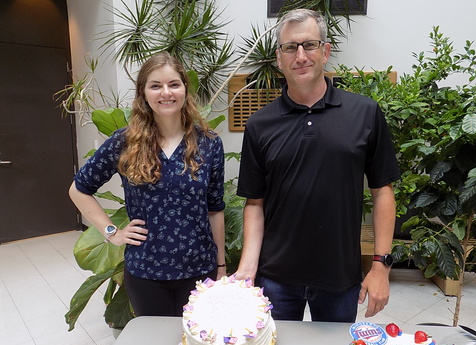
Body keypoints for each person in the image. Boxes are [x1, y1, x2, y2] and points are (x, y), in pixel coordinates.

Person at [235, 9, 400, 322]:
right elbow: (254, 203)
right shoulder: (259, 124)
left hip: (340, 278)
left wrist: (380, 266)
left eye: (309, 45)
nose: (300, 56)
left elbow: (383, 192)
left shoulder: (364, 113)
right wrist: (247, 268)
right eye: (290, 47)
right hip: (276, 279)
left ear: (325, 51)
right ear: (279, 58)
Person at [69, 52, 226, 317]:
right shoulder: (125, 142)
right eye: (156, 85)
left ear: (185, 89)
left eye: (174, 84)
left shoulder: (209, 144)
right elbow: (79, 189)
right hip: (147, 272)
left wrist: (221, 265)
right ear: (144, 92)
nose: (166, 93)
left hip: (200, 269)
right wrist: (112, 232)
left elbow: (215, 209)